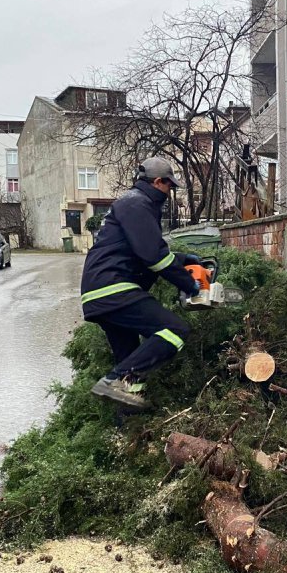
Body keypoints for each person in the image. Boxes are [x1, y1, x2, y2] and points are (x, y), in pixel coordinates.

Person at [80, 156, 202, 409]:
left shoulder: (131, 204)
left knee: (128, 363)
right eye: (169, 186)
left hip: (101, 292)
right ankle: (114, 380)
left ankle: (125, 429)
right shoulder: (137, 204)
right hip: (115, 288)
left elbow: (138, 249)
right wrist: (190, 285)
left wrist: (181, 259)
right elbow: (153, 257)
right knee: (175, 330)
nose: (170, 193)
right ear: (158, 182)